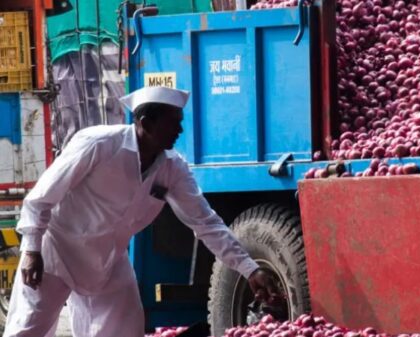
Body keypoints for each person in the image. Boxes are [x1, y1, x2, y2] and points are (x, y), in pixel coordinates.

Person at [5, 86, 280, 337]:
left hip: (108, 261)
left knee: (125, 330)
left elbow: (206, 223)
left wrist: (250, 269)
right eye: (173, 122)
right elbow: (40, 198)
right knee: (27, 329)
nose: (180, 131)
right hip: (57, 253)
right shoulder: (97, 145)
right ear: (146, 123)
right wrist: (31, 250)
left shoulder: (173, 168)